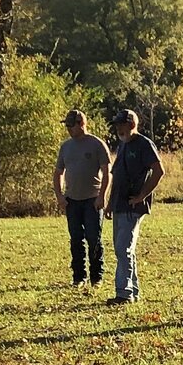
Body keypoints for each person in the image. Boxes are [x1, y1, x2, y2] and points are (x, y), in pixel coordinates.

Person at [104, 108, 165, 304]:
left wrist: (141, 196)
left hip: (132, 205)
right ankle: (134, 291)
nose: (118, 129)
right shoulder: (122, 145)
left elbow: (158, 171)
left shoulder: (144, 145)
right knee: (124, 249)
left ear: (132, 124)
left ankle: (124, 294)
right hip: (119, 204)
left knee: (124, 249)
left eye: (121, 125)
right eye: (117, 126)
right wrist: (110, 203)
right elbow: (117, 175)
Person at [54, 109, 112, 290]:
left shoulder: (96, 144)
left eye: (71, 125)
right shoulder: (66, 147)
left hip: (92, 200)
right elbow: (58, 173)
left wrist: (102, 196)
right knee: (76, 239)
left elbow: (107, 172)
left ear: (81, 124)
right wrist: (60, 196)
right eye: (67, 126)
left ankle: (97, 277)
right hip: (72, 201)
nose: (68, 129)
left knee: (94, 239)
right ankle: (79, 277)